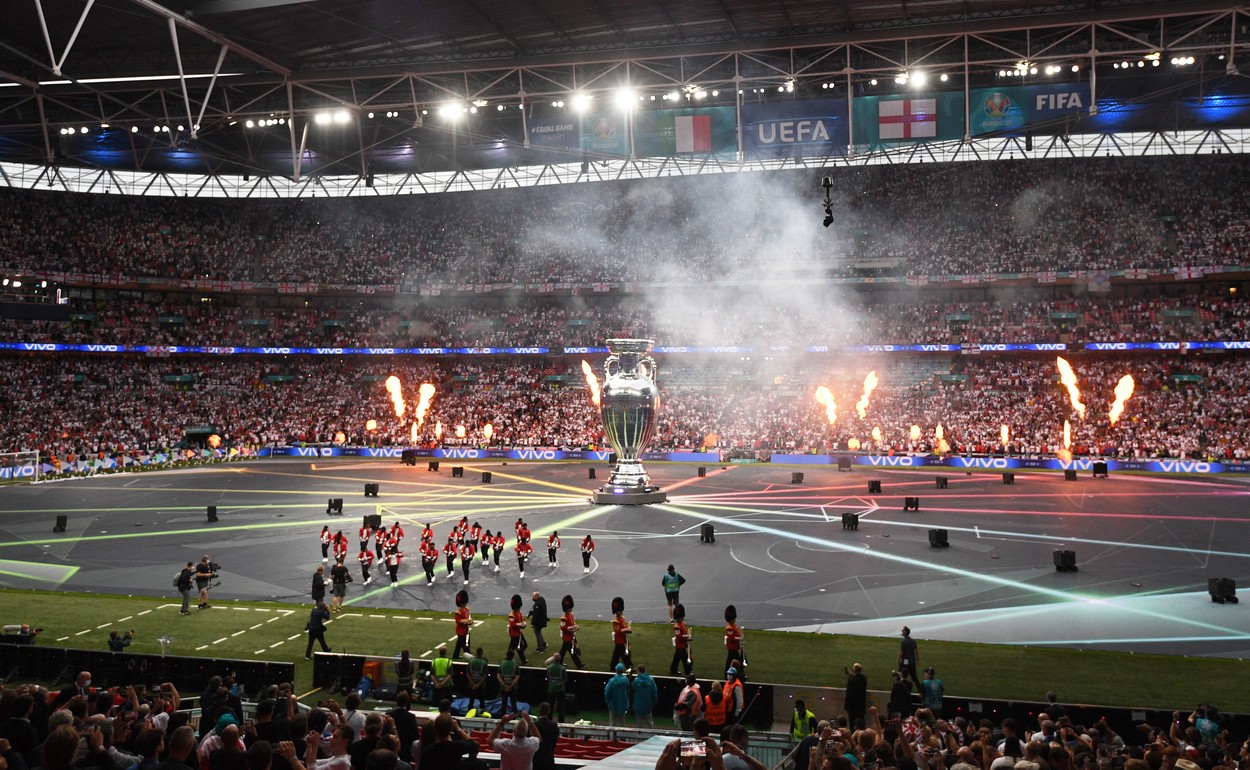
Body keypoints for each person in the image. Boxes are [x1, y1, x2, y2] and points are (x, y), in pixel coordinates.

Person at [557, 595, 583, 668]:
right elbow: (563, 627)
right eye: (569, 608)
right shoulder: (563, 618)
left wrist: (576, 626)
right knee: (572, 651)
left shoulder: (571, 615)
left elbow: (573, 622)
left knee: (563, 651)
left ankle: (559, 662)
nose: (570, 609)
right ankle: (579, 664)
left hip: (571, 636)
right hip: (567, 637)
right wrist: (572, 628)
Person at [609, 597, 633, 672]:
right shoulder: (616, 621)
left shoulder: (622, 618)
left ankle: (613, 666)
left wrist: (628, 627)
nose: (621, 611)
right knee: (624, 655)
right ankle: (629, 666)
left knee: (616, 655)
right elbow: (618, 631)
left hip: (622, 639)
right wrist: (626, 629)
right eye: (620, 610)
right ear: (617, 612)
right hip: (619, 640)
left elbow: (624, 626)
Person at [630, 664, 658, 729]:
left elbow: (632, 687)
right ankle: (652, 736)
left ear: (639, 671)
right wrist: (653, 703)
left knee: (639, 723)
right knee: (650, 722)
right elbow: (655, 692)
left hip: (638, 704)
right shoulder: (651, 680)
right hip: (648, 704)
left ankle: (638, 737)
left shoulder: (636, 680)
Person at [533, 703, 559, 770]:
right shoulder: (554, 725)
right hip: (548, 756)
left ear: (539, 711)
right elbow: (554, 741)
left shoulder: (534, 725)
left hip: (536, 757)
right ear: (549, 711)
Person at [669, 603, 692, 677]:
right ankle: (687, 671)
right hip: (680, 645)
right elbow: (679, 636)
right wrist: (687, 636)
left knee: (677, 658)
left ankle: (673, 669)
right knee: (685, 659)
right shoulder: (677, 626)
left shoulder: (682, 623)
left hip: (682, 644)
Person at [507, 595, 529, 666]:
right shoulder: (511, 615)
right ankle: (523, 660)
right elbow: (513, 624)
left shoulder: (519, 612)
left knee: (514, 646)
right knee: (518, 647)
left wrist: (524, 623)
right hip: (514, 633)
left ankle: (508, 656)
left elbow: (523, 619)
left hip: (519, 632)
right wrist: (521, 625)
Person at [545, 653, 567, 723]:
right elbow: (565, 679)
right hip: (560, 689)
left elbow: (548, 678)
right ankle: (561, 721)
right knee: (561, 707)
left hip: (551, 689)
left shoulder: (549, 668)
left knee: (550, 706)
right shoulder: (562, 668)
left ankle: (549, 720)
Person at [497, 649, 521, 716]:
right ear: (513, 656)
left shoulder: (502, 664)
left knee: (503, 703)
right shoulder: (515, 664)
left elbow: (498, 675)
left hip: (504, 688)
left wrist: (505, 685)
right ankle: (514, 718)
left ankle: (502, 717)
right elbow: (517, 676)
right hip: (513, 688)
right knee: (514, 703)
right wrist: (510, 686)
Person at [898, 626, 922, 691]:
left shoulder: (903, 642)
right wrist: (917, 659)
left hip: (904, 664)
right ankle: (920, 690)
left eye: (902, 631)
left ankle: (898, 689)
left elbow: (901, 652)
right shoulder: (913, 641)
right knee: (914, 678)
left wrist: (898, 659)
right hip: (912, 662)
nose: (902, 632)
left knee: (899, 677)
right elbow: (916, 651)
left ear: (905, 632)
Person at [844, 663, 867, 728]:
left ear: (855, 670)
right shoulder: (864, 679)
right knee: (861, 722)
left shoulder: (851, 681)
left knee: (852, 723)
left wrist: (846, 706)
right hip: (861, 706)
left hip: (852, 707)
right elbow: (857, 677)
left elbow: (849, 695)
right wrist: (849, 674)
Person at [466, 648, 489, 715]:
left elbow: (467, 673)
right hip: (481, 685)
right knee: (482, 701)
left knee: (471, 700)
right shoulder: (484, 662)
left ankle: (468, 713)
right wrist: (478, 684)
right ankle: (483, 714)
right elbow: (485, 675)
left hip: (472, 685)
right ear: (482, 653)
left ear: (476, 652)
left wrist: (473, 684)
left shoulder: (471, 661)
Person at [724, 605, 745, 675]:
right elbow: (732, 638)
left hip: (734, 647)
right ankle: (741, 673)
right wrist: (740, 638)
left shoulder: (733, 625)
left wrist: (740, 634)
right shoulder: (729, 628)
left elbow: (736, 632)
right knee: (738, 660)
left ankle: (727, 673)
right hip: (732, 647)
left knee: (730, 661)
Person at [453, 590, 472, 659]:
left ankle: (455, 655)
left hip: (466, 630)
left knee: (460, 644)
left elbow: (469, 616)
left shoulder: (466, 609)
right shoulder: (458, 612)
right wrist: (466, 621)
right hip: (460, 631)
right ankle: (470, 656)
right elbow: (458, 621)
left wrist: (470, 621)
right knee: (465, 645)